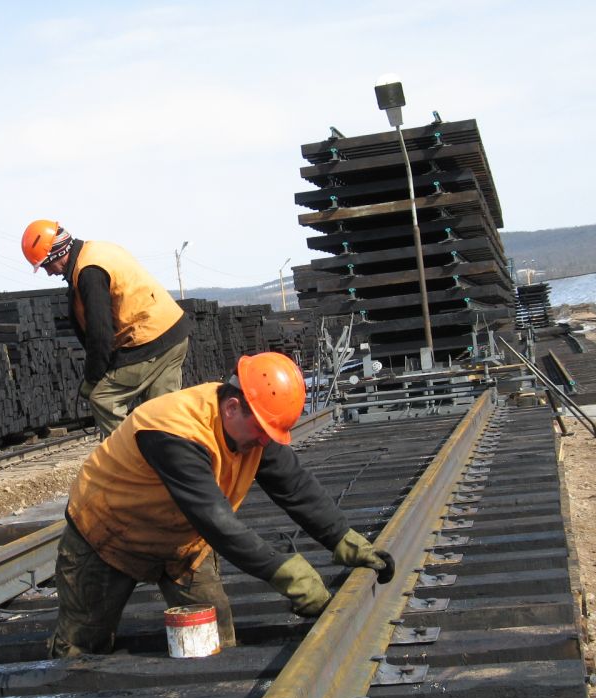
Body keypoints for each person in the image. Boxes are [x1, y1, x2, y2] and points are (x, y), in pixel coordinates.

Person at [50, 351, 393, 657]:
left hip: (181, 542)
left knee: (215, 642)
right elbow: (215, 520)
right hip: (108, 534)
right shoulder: (175, 431)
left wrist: (342, 538)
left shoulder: (252, 425)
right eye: (262, 431)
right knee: (81, 648)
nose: (265, 441)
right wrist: (284, 571)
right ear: (231, 408)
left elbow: (294, 484)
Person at [21, 219, 192, 436]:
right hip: (174, 332)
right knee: (162, 417)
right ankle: (173, 452)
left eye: (46, 265)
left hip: (150, 339)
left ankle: (128, 455)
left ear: (57, 253)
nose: (48, 272)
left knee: (103, 399)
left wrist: (93, 377)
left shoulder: (89, 272)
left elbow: (100, 334)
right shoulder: (97, 250)